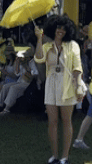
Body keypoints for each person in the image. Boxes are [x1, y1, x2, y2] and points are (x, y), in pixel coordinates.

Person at [34, 15, 83, 164]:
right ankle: (54, 156)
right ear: (52, 28)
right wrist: (39, 38)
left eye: (63, 28)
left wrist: (78, 86)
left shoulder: (73, 45)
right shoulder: (47, 46)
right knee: (52, 121)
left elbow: (77, 67)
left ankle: (65, 157)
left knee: (67, 121)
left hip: (67, 83)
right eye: (58, 27)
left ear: (68, 30)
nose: (60, 31)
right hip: (51, 83)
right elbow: (38, 58)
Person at [0, 48, 39, 116]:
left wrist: (26, 67)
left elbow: (34, 76)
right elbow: (17, 73)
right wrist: (17, 63)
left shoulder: (33, 63)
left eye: (26, 56)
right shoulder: (24, 62)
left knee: (13, 88)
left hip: (28, 83)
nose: (24, 58)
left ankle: (7, 108)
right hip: (20, 81)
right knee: (5, 86)